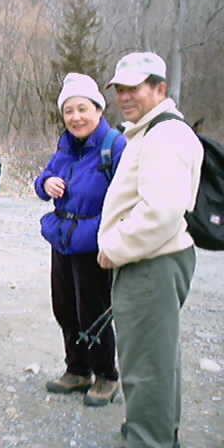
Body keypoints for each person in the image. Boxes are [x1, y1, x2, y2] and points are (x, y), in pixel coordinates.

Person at [98, 52, 203, 448]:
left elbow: (161, 211)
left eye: (134, 88)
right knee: (157, 359)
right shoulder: (150, 131)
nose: (125, 96)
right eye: (120, 88)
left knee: (146, 365)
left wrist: (115, 250)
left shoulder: (166, 135)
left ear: (160, 89)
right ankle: (156, 434)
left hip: (151, 261)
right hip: (154, 259)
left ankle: (148, 440)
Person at [34, 73, 126, 406]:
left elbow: (128, 197)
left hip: (95, 244)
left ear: (99, 109)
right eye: (69, 111)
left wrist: (113, 239)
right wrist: (47, 184)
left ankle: (106, 376)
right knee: (66, 308)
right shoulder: (65, 146)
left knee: (94, 310)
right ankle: (77, 370)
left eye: (82, 109)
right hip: (62, 240)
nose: (75, 117)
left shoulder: (114, 146)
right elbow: (43, 178)